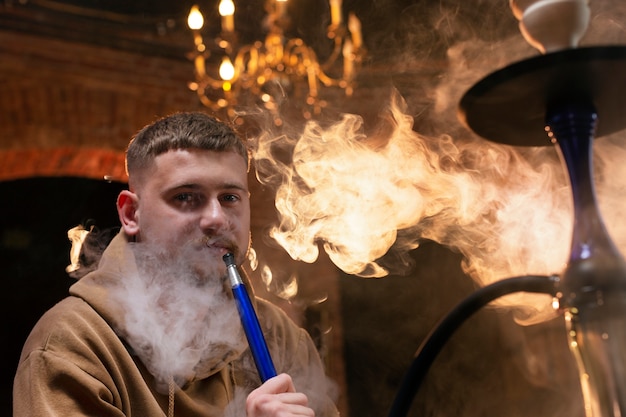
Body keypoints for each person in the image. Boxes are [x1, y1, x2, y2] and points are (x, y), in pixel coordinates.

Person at [13, 112, 339, 417]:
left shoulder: (279, 335)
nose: (216, 219)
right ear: (131, 214)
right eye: (185, 197)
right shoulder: (73, 344)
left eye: (230, 198)